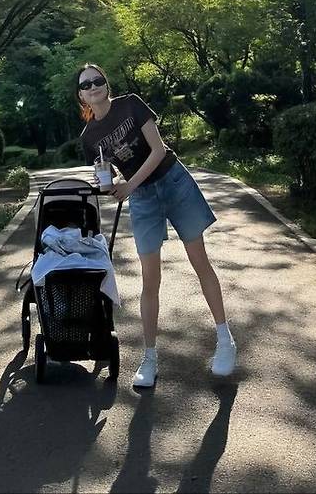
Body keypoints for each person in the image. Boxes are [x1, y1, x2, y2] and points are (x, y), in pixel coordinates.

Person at [78, 63, 236, 387]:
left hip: (173, 181)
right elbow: (111, 176)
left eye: (98, 80)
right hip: (143, 198)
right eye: (86, 85)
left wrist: (128, 185)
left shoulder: (131, 104)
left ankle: (225, 340)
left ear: (106, 84)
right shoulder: (89, 136)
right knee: (150, 279)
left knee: (199, 262)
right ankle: (149, 358)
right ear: (81, 96)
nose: (94, 86)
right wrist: (107, 183)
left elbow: (158, 150)